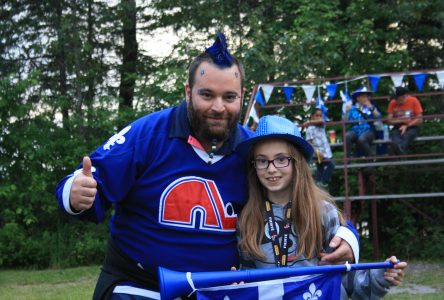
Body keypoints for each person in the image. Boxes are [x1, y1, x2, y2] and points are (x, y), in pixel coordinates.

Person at [55, 33, 358, 300]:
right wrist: (74, 192)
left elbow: (306, 197)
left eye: (229, 97)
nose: (218, 107)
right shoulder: (147, 134)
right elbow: (90, 179)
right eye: (206, 95)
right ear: (188, 92)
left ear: (241, 98)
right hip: (137, 286)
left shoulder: (255, 151)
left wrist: (347, 235)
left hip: (217, 292)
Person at [236, 115, 407, 299]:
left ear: (297, 163)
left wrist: (381, 277)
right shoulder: (247, 218)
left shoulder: (324, 213)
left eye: (281, 159)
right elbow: (248, 281)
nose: (271, 168)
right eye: (262, 161)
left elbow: (347, 282)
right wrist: (237, 287)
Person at [344, 86, 381, 159]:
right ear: (358, 98)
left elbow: (378, 117)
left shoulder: (371, 107)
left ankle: (371, 159)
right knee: (347, 136)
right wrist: (346, 111)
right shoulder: (352, 108)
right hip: (355, 131)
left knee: (362, 139)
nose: (366, 98)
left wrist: (371, 107)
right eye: (363, 96)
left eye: (366, 96)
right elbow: (345, 121)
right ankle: (347, 159)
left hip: (369, 131)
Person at [303, 107, 335, 189]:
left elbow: (321, 121)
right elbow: (309, 144)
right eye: (316, 115)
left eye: (320, 115)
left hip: (326, 151)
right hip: (317, 152)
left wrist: (309, 122)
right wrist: (317, 152)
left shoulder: (321, 125)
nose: (319, 117)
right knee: (331, 165)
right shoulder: (309, 129)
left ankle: (317, 184)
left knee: (320, 168)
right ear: (312, 116)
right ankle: (323, 182)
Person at [386, 86, 423, 155]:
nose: (395, 100)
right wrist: (400, 121)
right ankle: (399, 151)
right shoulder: (392, 102)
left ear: (404, 96)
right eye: (394, 98)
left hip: (412, 126)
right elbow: (388, 120)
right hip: (397, 127)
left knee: (407, 135)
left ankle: (399, 150)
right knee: (395, 135)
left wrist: (407, 125)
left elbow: (420, 119)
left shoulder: (414, 100)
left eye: (397, 98)